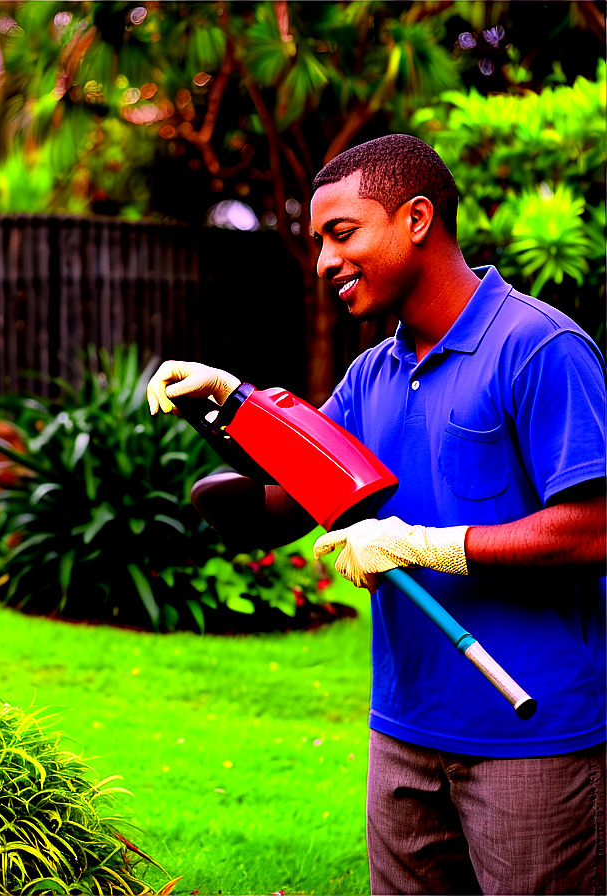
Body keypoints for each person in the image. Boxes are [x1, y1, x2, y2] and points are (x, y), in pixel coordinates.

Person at [146, 134, 606, 895]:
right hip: (403, 735)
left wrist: (428, 546)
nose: (326, 260)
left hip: (533, 738)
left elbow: (594, 529)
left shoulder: (538, 347)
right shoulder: (371, 373)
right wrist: (228, 408)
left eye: (341, 233)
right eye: (320, 241)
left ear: (417, 218)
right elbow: (289, 501)